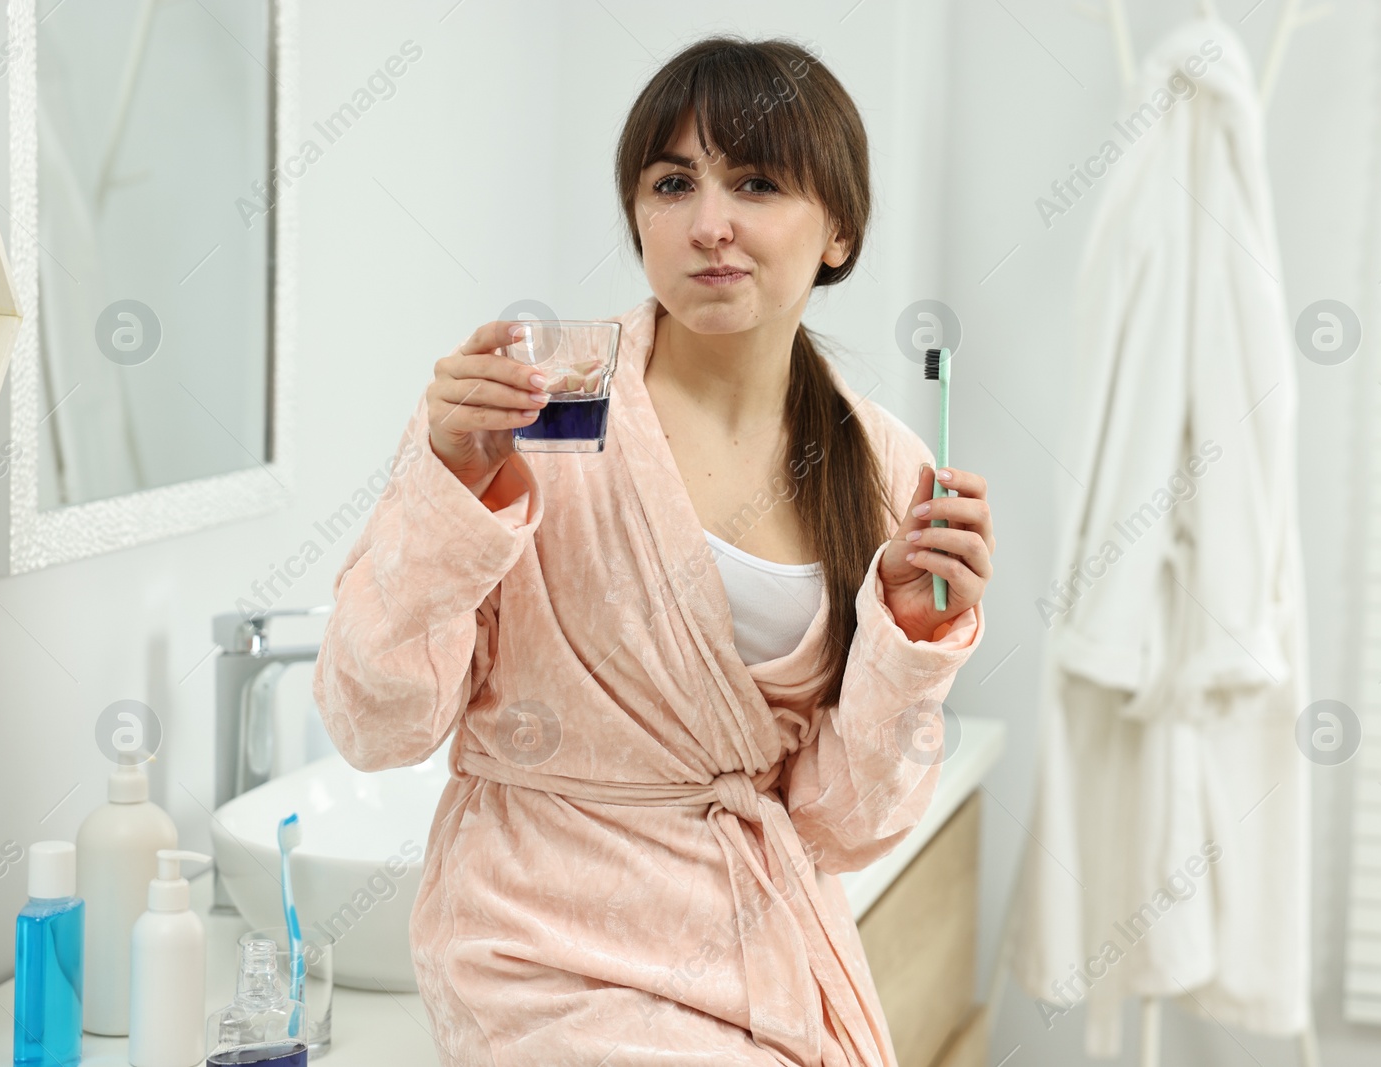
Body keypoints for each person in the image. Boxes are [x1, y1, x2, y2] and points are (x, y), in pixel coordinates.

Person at [312, 34, 992, 1067]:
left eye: (755, 181)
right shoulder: (536, 399)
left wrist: (911, 635)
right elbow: (376, 723)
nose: (708, 224)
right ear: (638, 214)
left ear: (839, 230)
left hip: (749, 942)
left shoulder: (885, 469)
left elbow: (840, 826)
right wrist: (449, 483)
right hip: (535, 938)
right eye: (673, 183)